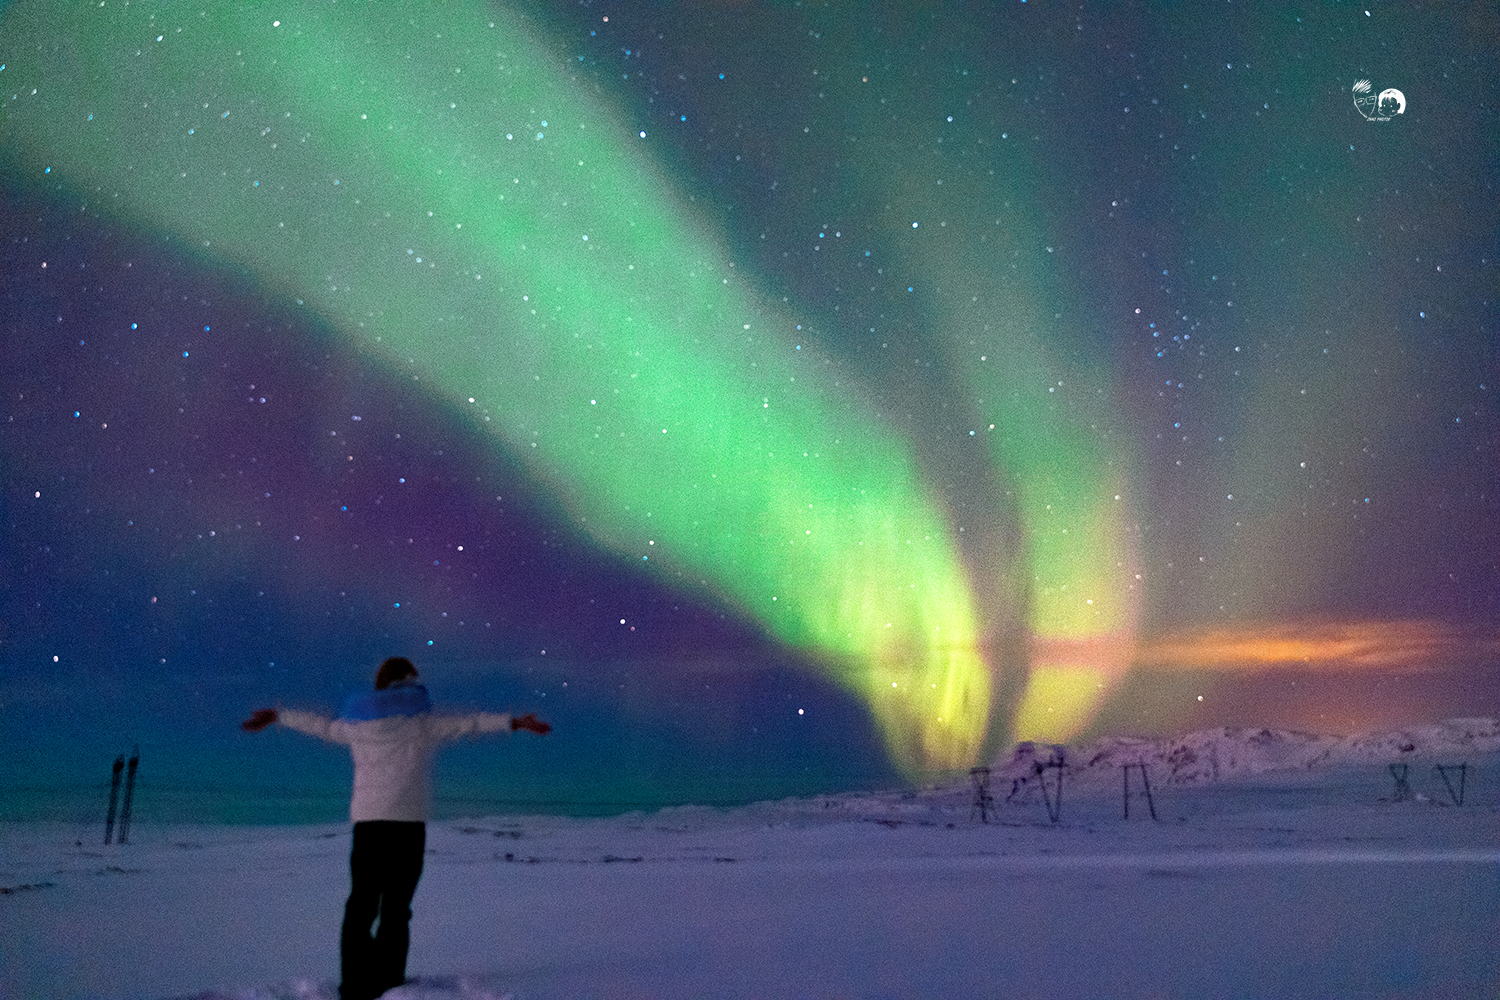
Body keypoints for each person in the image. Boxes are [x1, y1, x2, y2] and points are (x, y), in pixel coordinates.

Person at [241, 656, 550, 1000]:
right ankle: (388, 983)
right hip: (407, 826)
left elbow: (323, 727)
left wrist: (278, 716)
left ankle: (356, 985)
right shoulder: (421, 723)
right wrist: (514, 722)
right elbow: (472, 724)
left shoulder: (357, 724)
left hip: (369, 825)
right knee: (396, 908)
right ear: (406, 682)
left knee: (361, 905)